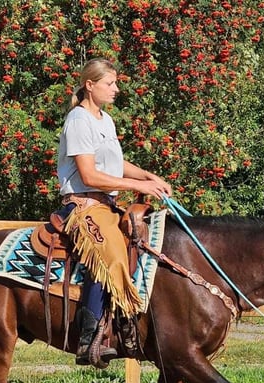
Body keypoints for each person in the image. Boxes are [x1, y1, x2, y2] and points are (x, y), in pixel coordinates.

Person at [57, 58, 172, 367]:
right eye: (110, 84)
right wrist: (139, 185)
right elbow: (90, 176)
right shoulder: (78, 120)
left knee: (139, 243)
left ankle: (126, 322)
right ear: (90, 85)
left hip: (105, 204)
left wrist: (148, 176)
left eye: (116, 83)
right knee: (111, 253)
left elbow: (113, 163)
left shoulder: (105, 120)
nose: (116, 89)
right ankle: (89, 335)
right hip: (82, 205)